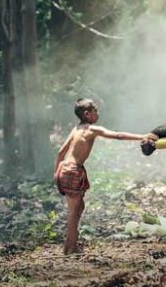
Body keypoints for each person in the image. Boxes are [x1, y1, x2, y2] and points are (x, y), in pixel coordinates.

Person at [54, 98, 158, 254]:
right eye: (96, 110)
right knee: (74, 211)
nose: (98, 113)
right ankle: (70, 247)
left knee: (78, 207)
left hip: (64, 169)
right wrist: (143, 136)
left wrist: (56, 173)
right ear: (88, 114)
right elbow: (118, 135)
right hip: (74, 170)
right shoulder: (92, 130)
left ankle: (71, 244)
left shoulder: (76, 129)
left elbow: (61, 152)